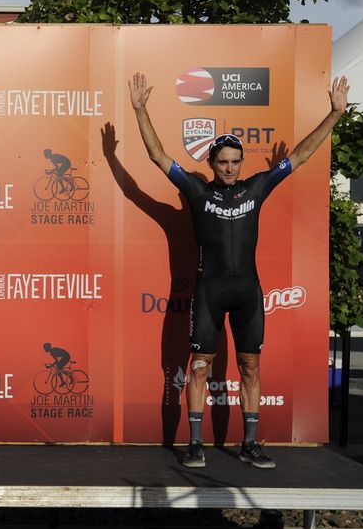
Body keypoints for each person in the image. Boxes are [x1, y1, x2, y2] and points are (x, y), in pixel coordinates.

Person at [129, 71, 348, 469]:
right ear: (211, 163)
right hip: (209, 290)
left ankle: (249, 444)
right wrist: (141, 110)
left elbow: (299, 156)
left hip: (248, 291)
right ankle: (195, 445)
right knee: (198, 367)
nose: (229, 168)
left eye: (234, 162)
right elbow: (158, 157)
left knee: (250, 366)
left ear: (241, 163)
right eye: (222, 162)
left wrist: (333, 115)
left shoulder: (257, 187)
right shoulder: (196, 190)